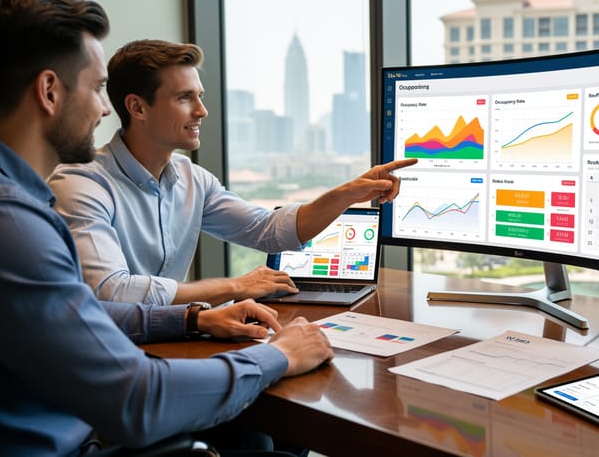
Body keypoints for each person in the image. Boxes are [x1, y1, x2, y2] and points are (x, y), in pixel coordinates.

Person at [0, 0, 335, 456]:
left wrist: (195, 319)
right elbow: (138, 400)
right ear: (50, 91)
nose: (102, 108)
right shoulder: (15, 224)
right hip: (76, 440)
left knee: (258, 440)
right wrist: (277, 355)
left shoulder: (22, 207)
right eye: (97, 89)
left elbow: (83, 312)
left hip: (82, 419)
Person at [48, 39, 416, 306]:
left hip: (168, 339)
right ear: (137, 107)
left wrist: (349, 192)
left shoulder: (193, 180)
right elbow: (111, 291)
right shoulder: (83, 182)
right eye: (184, 98)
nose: (201, 111)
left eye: (200, 95)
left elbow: (269, 231)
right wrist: (235, 287)